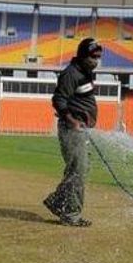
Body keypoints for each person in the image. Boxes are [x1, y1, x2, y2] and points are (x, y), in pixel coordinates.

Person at [43, 37, 102, 227]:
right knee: (78, 171)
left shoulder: (85, 72)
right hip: (72, 130)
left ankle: (57, 201)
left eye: (98, 57)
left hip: (82, 130)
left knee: (79, 170)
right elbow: (58, 100)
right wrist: (72, 120)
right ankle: (71, 215)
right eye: (94, 57)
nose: (96, 61)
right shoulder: (71, 74)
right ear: (84, 55)